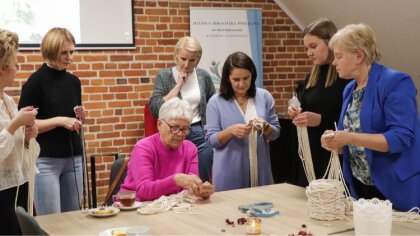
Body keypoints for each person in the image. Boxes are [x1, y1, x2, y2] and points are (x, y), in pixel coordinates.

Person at [321, 23, 420, 211]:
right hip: (361, 185)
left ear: (359, 56)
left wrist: (348, 137)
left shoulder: (396, 82)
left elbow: (400, 139)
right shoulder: (350, 89)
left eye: (339, 56)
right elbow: (355, 142)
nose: (334, 62)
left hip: (395, 186)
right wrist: (336, 142)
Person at [18, 27, 86, 215]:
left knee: (73, 219)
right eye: (64, 52)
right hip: (45, 162)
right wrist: (59, 120)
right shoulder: (34, 83)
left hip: (74, 159)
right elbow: (24, 125)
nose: (70, 57)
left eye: (72, 51)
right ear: (51, 50)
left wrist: (79, 117)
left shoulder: (74, 82)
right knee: (51, 222)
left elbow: (72, 117)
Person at [205, 51, 280, 191]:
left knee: (261, 210)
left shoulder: (264, 97)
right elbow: (211, 140)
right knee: (229, 212)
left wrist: (265, 126)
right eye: (236, 79)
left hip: (260, 170)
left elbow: (275, 134)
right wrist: (230, 131)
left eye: (246, 78)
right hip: (229, 173)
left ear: (252, 74)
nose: (242, 84)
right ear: (227, 78)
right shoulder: (215, 102)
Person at [287, 18, 350, 187]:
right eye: (306, 48)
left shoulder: (345, 76)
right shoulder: (311, 76)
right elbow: (300, 101)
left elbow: (351, 120)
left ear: (330, 43)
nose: (308, 53)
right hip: (310, 152)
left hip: (334, 155)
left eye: (313, 47)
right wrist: (294, 109)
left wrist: (321, 120)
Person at [148, 36, 215, 183]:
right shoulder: (164, 75)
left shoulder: (203, 76)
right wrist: (178, 86)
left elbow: (213, 104)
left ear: (198, 59)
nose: (186, 64)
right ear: (175, 56)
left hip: (198, 129)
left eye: (192, 60)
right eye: (183, 59)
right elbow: (155, 108)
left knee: (206, 156)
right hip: (173, 129)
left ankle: (199, 191)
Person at [121, 97, 214, 201]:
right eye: (174, 128)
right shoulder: (143, 147)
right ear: (159, 124)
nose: (180, 134)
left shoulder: (190, 148)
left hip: (172, 206)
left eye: (185, 128)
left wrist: (201, 190)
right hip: (134, 206)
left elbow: (190, 188)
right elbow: (144, 191)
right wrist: (176, 180)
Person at [0, 28, 40, 235]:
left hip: (20, 184)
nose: (18, 69)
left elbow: (20, 152)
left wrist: (27, 137)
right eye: (15, 64)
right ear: (2, 68)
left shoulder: (8, 101)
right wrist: (15, 124)